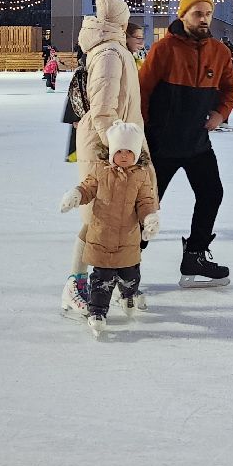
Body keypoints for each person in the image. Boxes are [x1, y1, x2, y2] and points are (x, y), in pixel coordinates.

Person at [138, 0, 233, 287]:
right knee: (146, 206)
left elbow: (231, 87)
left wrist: (221, 113)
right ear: (182, 16)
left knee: (212, 194)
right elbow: (142, 92)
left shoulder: (219, 52)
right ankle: (126, 263)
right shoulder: (163, 49)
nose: (204, 18)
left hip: (197, 144)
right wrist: (141, 136)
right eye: (197, 13)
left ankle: (194, 255)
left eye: (207, 13)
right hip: (161, 145)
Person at [63, 0, 148, 319]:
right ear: (118, 22)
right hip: (105, 148)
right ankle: (77, 282)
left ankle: (106, 281)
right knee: (97, 220)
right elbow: (102, 112)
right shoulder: (111, 54)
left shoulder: (114, 51)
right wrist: (121, 151)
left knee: (111, 219)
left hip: (113, 144)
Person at [59, 120, 160, 337]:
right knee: (101, 280)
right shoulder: (100, 172)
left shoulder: (141, 176)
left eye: (129, 152)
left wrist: (150, 218)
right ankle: (97, 312)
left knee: (130, 274)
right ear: (111, 151)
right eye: (119, 151)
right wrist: (76, 194)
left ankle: (129, 295)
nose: (124, 156)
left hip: (128, 238)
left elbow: (145, 202)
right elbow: (87, 188)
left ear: (136, 153)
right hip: (101, 237)